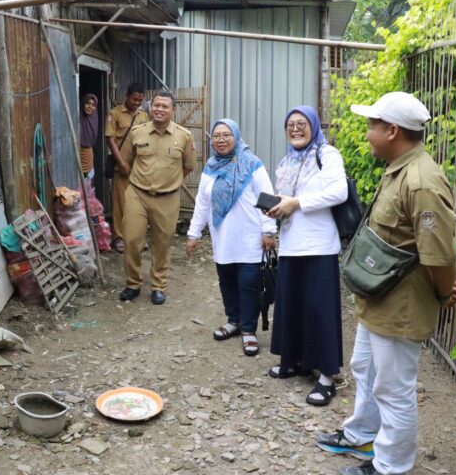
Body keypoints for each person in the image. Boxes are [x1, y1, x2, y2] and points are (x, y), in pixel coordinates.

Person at [315, 92, 456, 475]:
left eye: (371, 125)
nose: (367, 133)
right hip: (379, 295)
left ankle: (390, 466)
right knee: (364, 367)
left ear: (392, 131)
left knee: (394, 389)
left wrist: (446, 292)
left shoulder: (422, 182)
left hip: (400, 305)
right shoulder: (399, 166)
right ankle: (363, 434)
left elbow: (438, 255)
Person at [266, 105, 348, 407]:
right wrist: (276, 206)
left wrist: (297, 203)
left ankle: (326, 377)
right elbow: (285, 199)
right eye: (290, 125)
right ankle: (295, 361)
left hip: (318, 246)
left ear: (313, 126)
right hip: (290, 243)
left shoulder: (327, 155)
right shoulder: (287, 160)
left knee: (319, 309)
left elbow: (338, 192)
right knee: (291, 306)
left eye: (302, 124)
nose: (295, 129)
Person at [185, 119, 277, 356]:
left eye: (226, 135)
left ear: (236, 136)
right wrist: (193, 233)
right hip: (223, 237)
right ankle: (234, 321)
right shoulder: (210, 167)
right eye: (217, 136)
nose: (222, 140)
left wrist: (268, 230)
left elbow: (267, 196)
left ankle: (248, 330)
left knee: (248, 283)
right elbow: (202, 204)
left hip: (249, 238)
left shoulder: (252, 164)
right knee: (226, 280)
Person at [118, 91, 196, 305]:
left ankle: (158, 286)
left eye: (165, 106)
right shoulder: (137, 132)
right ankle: (133, 283)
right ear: (150, 108)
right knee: (132, 240)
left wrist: (169, 182)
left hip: (167, 198)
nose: (160, 109)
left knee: (162, 243)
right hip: (138, 194)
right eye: (156, 105)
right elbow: (128, 160)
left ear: (173, 110)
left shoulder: (184, 136)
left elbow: (188, 166)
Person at [105, 82, 149, 253]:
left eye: (140, 100)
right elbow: (110, 140)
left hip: (140, 168)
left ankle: (137, 237)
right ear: (126, 96)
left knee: (140, 205)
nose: (137, 103)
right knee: (121, 203)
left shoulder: (144, 116)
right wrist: (121, 163)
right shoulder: (115, 114)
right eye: (134, 99)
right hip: (121, 168)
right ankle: (119, 238)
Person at [79, 93, 99, 180]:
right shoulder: (78, 116)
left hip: (88, 153)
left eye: (93, 105)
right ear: (83, 104)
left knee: (88, 179)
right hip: (77, 151)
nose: (90, 107)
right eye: (88, 103)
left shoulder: (94, 118)